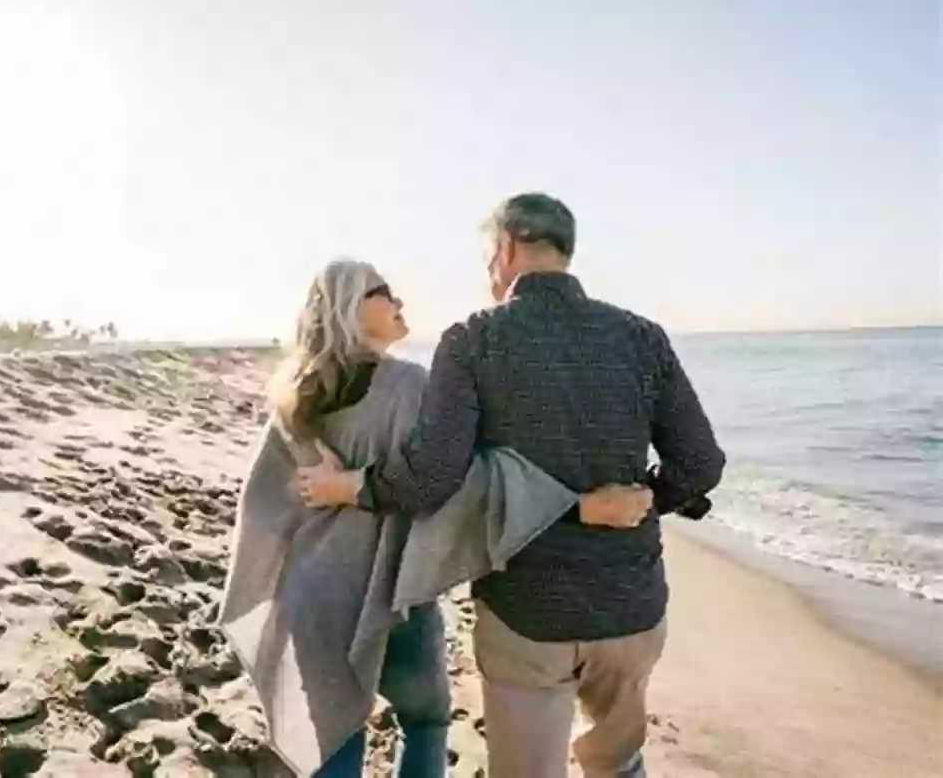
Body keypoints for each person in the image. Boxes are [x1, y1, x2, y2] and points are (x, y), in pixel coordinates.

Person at [297, 194, 726, 778]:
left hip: (528, 612)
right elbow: (701, 463)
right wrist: (650, 497)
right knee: (619, 764)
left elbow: (431, 477)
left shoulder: (474, 339)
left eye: (487, 255)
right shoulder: (643, 337)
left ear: (506, 247)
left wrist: (350, 486)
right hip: (632, 606)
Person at [218, 259, 652, 778]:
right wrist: (579, 503)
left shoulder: (293, 395)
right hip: (396, 594)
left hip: (315, 596)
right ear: (349, 306)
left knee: (333, 734)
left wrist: (323, 494)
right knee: (424, 720)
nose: (400, 301)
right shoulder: (407, 385)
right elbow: (467, 481)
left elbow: (264, 501)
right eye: (384, 292)